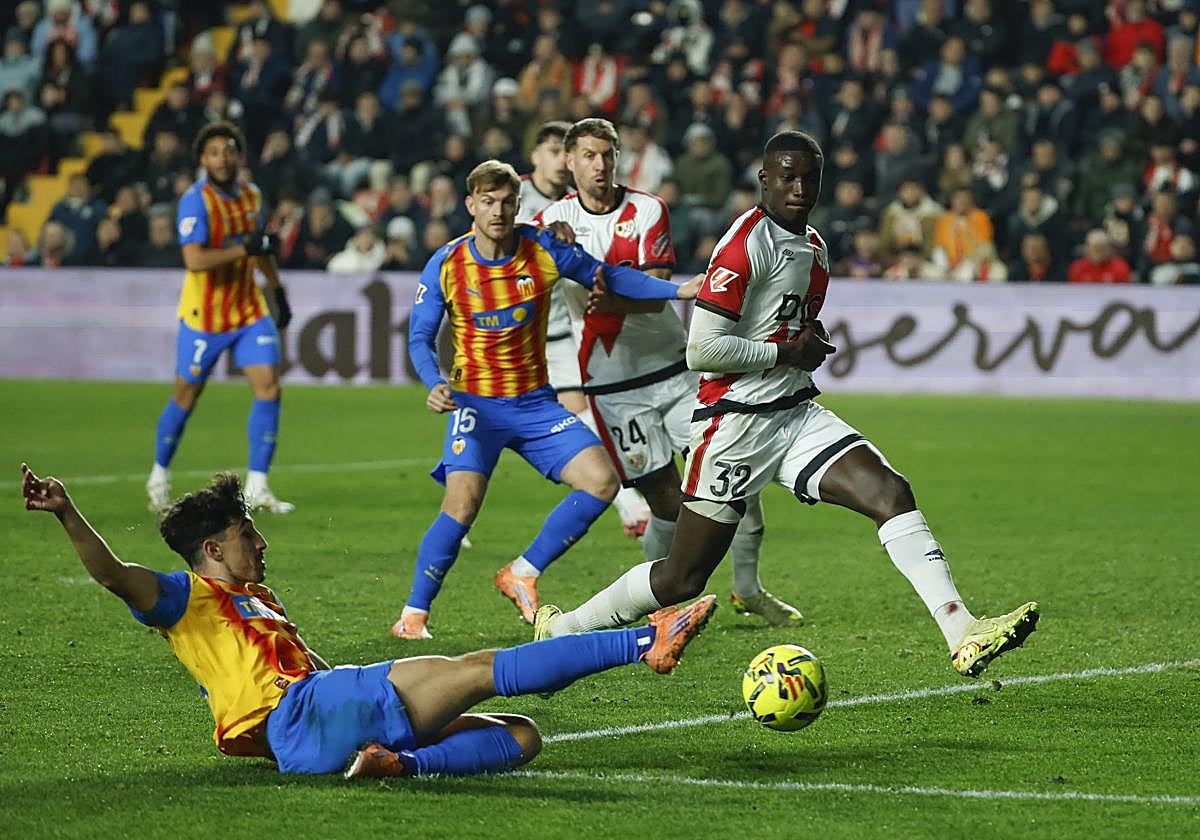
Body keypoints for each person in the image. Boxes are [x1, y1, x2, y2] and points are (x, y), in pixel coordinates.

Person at [536, 131, 1040, 680]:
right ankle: (566, 629)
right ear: (764, 180)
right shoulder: (744, 244)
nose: (799, 187)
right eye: (786, 176)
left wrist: (806, 342)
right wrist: (784, 349)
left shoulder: (815, 246)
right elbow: (701, 348)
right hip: (734, 425)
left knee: (890, 492)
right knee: (682, 579)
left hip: (794, 414)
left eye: (809, 177)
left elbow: (786, 327)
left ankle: (961, 630)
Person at [19, 464, 716, 778]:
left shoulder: (261, 604)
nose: (259, 543)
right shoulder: (186, 597)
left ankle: (394, 766)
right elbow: (114, 576)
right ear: (212, 550)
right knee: (476, 669)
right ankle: (642, 640)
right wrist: (67, 512)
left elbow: (309, 669)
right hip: (304, 717)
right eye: (244, 534)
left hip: (315, 729)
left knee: (521, 737)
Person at [394, 159, 705, 640]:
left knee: (602, 481)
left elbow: (608, 277)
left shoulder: (543, 249)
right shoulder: (448, 263)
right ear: (470, 205)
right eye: (488, 202)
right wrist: (431, 379)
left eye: (507, 202)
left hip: (536, 405)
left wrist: (678, 288)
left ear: (520, 206)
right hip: (476, 406)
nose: (497, 211)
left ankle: (522, 572)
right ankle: (413, 616)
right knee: (462, 507)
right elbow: (419, 335)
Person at [536, 117, 799, 627]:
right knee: (664, 502)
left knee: (734, 477)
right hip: (611, 386)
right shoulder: (553, 222)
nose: (600, 164)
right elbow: (621, 286)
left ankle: (748, 587)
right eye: (588, 155)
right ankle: (661, 602)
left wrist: (612, 295)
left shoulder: (648, 208)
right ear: (569, 162)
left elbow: (654, 281)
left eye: (607, 154)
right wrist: (621, 289)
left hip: (676, 372)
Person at [145, 122, 295, 515]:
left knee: (269, 387)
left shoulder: (252, 195)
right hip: (203, 318)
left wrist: (276, 288)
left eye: (229, 150)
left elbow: (259, 248)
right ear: (202, 159)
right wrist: (240, 249)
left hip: (248, 310)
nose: (222, 158)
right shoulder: (195, 201)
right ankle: (158, 475)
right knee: (186, 396)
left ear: (238, 156)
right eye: (214, 152)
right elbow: (194, 259)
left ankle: (258, 488)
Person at [516, 121, 651, 540]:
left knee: (587, 406)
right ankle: (629, 501)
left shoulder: (576, 203)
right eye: (553, 150)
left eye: (565, 151)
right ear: (536, 155)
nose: (560, 159)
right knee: (576, 408)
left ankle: (632, 496)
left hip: (576, 320)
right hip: (536, 328)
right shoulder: (516, 198)